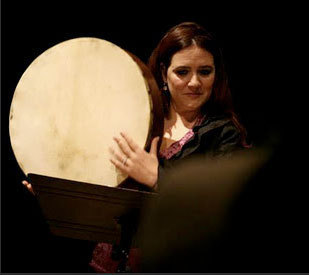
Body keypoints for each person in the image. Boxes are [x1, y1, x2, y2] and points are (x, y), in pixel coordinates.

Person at [23, 21, 249, 272]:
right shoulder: (134, 115)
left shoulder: (223, 134)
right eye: (182, 72)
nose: (194, 83)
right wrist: (58, 196)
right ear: (164, 73)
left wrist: (157, 176)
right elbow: (99, 189)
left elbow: (219, 211)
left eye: (205, 72)